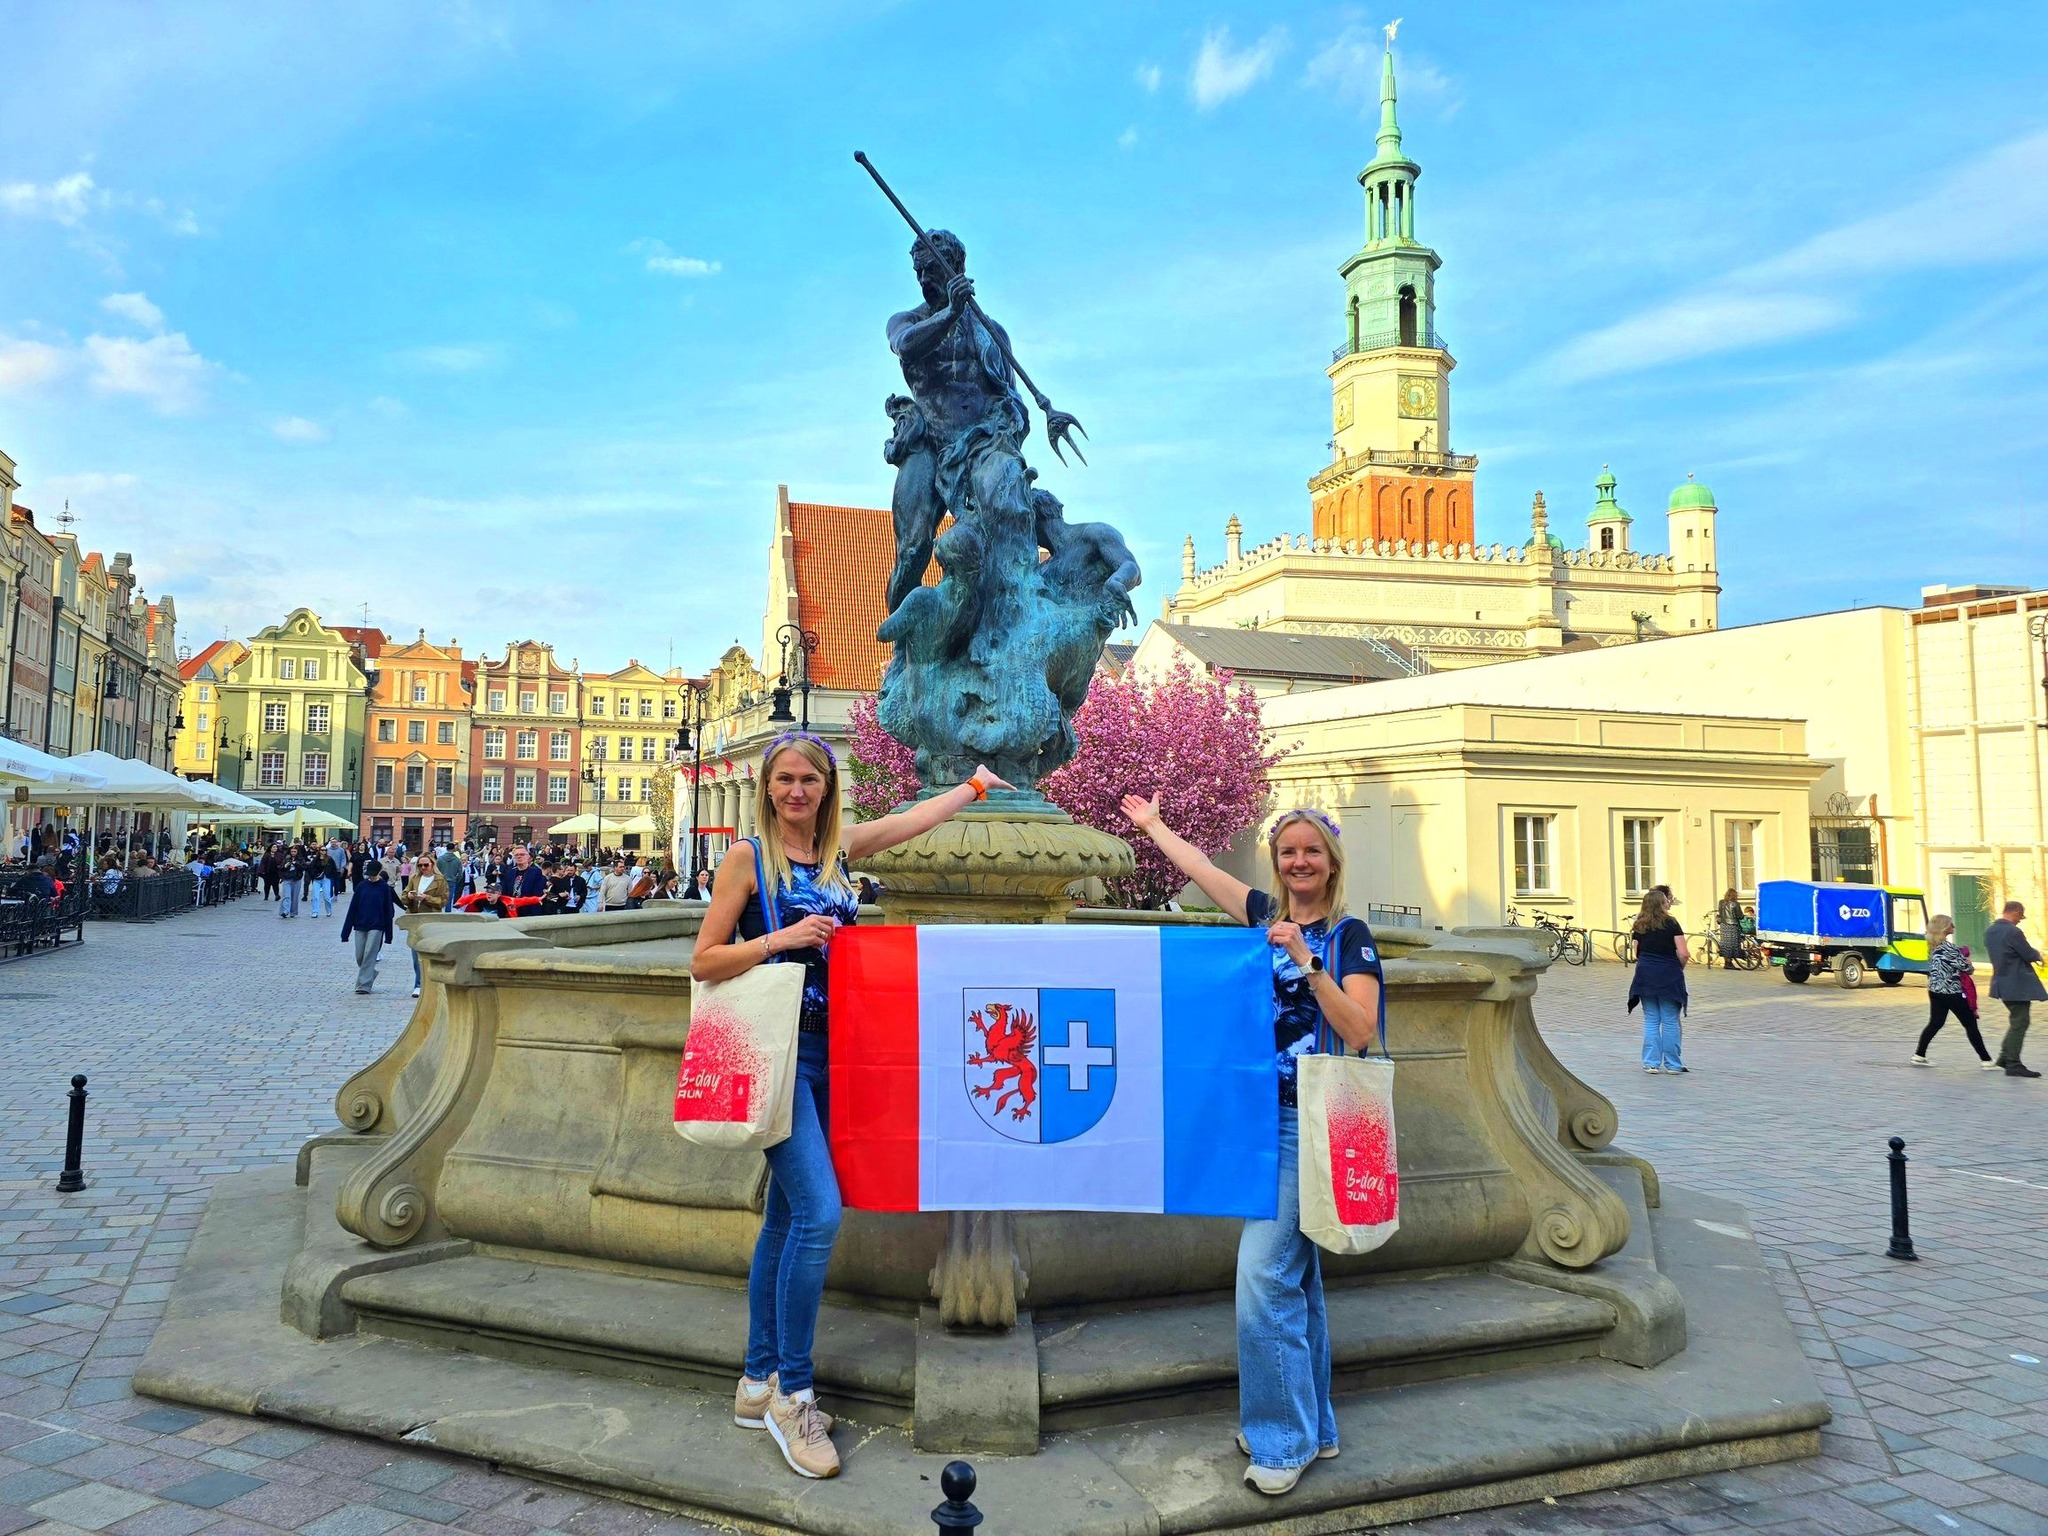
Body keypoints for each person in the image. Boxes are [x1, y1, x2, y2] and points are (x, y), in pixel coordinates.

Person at [692, 733, 1010, 1480]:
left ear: (827, 789)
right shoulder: (748, 858)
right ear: (768, 787)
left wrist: (973, 788)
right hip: (775, 1055)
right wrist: (784, 938)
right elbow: (704, 959)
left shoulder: (836, 852)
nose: (797, 791)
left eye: (810, 780)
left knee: (785, 1217)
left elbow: (906, 824)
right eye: (785, 780)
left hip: (839, 1056)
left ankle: (753, 1378)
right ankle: (793, 1395)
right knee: (821, 1214)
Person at [1117, 794, 1382, 1496]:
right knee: (1297, 1279)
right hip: (1258, 1121)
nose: (1299, 862)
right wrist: (1153, 827)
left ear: (1331, 865)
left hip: (1315, 1120)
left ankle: (1279, 1439)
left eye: (1311, 853)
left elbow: (1359, 1029)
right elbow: (1203, 870)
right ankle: (1313, 1425)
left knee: (1264, 1277)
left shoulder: (1350, 935)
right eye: (1288, 852)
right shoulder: (1264, 914)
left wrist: (1307, 961)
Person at [1914, 915, 1994, 1068]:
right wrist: (1969, 963)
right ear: (1944, 928)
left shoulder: (1932, 946)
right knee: (1970, 1024)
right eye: (1951, 924)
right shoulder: (1949, 948)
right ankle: (1986, 1060)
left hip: (1935, 990)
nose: (1954, 927)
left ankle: (1919, 1054)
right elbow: (1968, 969)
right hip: (1951, 991)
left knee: (1935, 1022)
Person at [1628, 886, 1690, 1074]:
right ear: (1661, 904)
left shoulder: (1639, 924)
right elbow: (1684, 953)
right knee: (1670, 1020)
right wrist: (1678, 968)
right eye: (1666, 901)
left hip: (1645, 973)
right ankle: (1673, 1064)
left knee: (1651, 1019)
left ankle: (1651, 1063)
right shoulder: (1671, 923)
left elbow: (1635, 951)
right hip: (1668, 972)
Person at [1985, 900, 2044, 1078]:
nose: (2020, 920)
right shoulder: (2013, 931)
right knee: (2020, 1022)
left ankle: (2004, 1058)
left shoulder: (1990, 931)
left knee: (2016, 1021)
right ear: (2016, 912)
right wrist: (2038, 955)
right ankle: (2013, 1063)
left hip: (2001, 983)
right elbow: (2027, 953)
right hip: (2017, 984)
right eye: (2021, 916)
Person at [396, 855, 449, 997]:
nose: (423, 868)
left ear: (432, 864)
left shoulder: (439, 880)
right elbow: (404, 895)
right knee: (415, 953)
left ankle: (430, 984)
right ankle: (418, 984)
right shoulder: (414, 878)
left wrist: (427, 898)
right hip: (415, 918)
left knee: (429, 952)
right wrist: (410, 897)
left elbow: (443, 901)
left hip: (431, 919)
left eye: (426, 865)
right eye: (420, 865)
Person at [341, 861, 396, 995]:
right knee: (360, 956)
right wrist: (345, 932)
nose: (370, 877)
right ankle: (370, 972)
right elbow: (352, 908)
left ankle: (363, 985)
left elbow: (388, 910)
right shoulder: (361, 886)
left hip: (377, 925)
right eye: (368, 875)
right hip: (360, 924)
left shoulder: (384, 888)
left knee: (370, 954)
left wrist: (389, 935)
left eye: (372, 874)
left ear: (378, 872)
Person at [1714, 888, 1743, 970]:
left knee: (1726, 944)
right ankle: (1729, 963)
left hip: (1723, 925)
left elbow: (1720, 913)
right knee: (1732, 944)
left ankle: (1727, 963)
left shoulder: (1721, 902)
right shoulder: (1735, 904)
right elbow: (1740, 916)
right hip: (1732, 926)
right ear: (1734, 895)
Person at [435, 843, 465, 912]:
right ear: (454, 849)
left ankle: (438, 910)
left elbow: (436, 871)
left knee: (440, 896)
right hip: (452, 880)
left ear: (446, 848)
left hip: (441, 880)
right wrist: (456, 880)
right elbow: (460, 873)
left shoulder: (440, 859)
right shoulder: (457, 860)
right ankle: (447, 912)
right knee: (449, 898)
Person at [280, 843, 305, 919]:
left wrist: (296, 864)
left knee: (294, 896)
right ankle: (285, 911)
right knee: (286, 895)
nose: (293, 853)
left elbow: (303, 867)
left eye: (294, 851)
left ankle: (293, 912)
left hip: (296, 879)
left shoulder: (301, 859)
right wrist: (285, 866)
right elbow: (281, 867)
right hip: (287, 878)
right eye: (292, 851)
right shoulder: (286, 858)